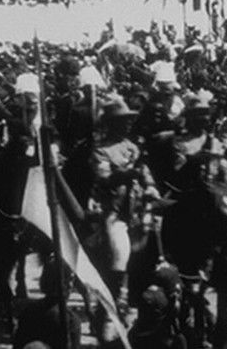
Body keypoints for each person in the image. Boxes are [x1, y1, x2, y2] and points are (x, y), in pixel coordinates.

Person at [89, 96, 160, 314]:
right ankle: (116, 294)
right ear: (111, 124)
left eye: (127, 121)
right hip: (114, 210)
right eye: (121, 122)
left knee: (157, 238)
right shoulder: (100, 150)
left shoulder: (133, 147)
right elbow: (104, 178)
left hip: (137, 209)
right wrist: (128, 173)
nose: (126, 125)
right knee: (120, 252)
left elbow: (145, 173)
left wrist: (150, 186)